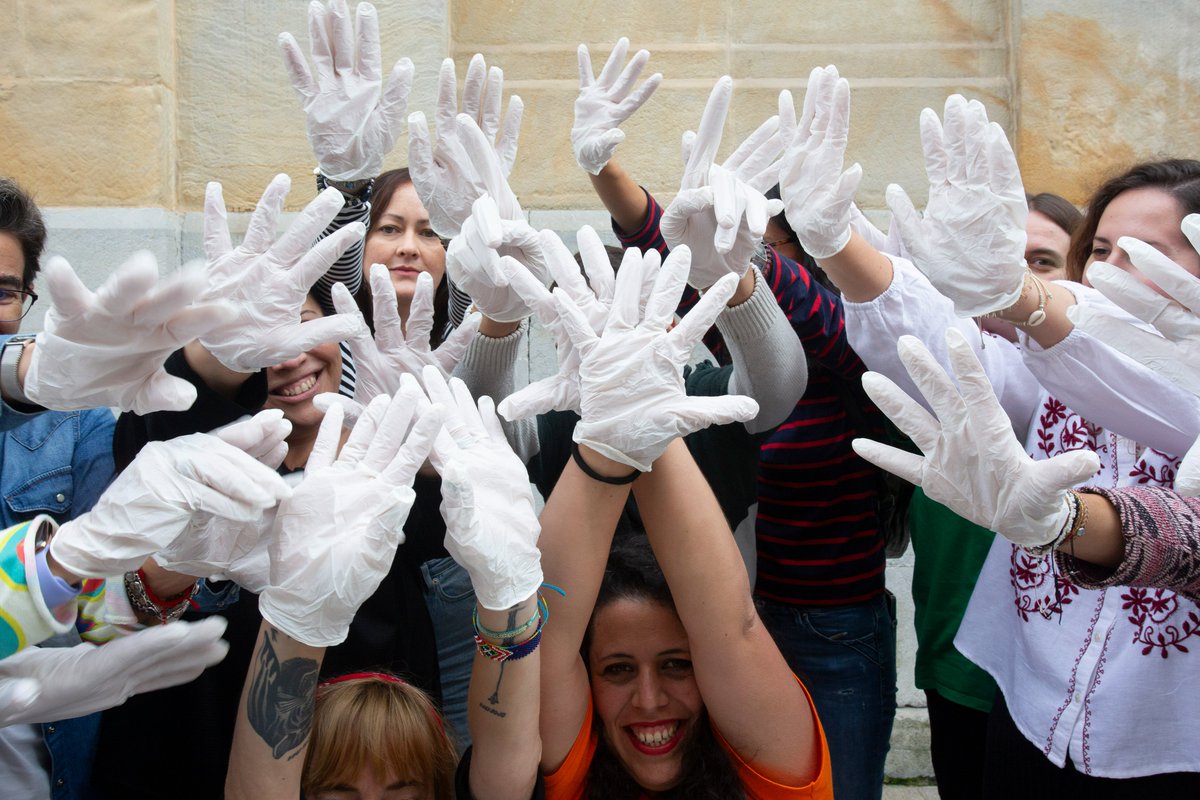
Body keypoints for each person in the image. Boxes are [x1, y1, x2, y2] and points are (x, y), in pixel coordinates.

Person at [776, 62, 1200, 791]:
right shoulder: (1051, 352)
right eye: (1100, 250)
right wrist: (837, 246)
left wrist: (1022, 297)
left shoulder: (1083, 347)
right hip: (1031, 709)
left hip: (1168, 744)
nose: (1109, 273)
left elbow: (1154, 395)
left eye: (1148, 255)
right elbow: (947, 358)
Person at [571, 41, 893, 799]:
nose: (747, 252)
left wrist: (752, 267)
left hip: (830, 623)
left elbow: (805, 351)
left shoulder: (850, 331)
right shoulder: (736, 331)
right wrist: (603, 170)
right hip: (725, 618)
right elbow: (678, 256)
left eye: (772, 243)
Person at [499, 242, 832, 798]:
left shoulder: (771, 774)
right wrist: (619, 413)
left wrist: (643, 401)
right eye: (617, 670)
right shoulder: (570, 769)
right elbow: (547, 643)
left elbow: (733, 628)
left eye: (678, 665)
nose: (649, 700)